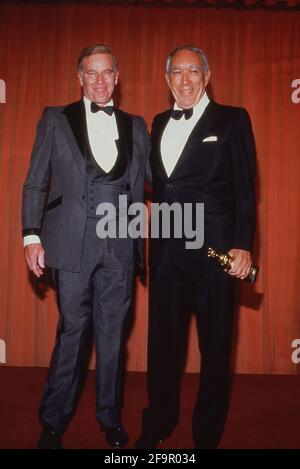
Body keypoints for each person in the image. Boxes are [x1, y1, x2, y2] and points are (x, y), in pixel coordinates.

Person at [22, 44, 149, 449]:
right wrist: (31, 236)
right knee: (73, 332)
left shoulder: (138, 125)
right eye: (91, 73)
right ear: (79, 78)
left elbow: (158, 178)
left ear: (117, 77)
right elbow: (36, 182)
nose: (99, 80)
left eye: (106, 72)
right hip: (71, 244)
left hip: (120, 247)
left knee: (113, 336)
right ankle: (53, 420)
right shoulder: (55, 119)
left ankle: (109, 417)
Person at [135, 45, 256, 449]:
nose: (184, 80)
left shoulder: (232, 119)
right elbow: (159, 182)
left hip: (215, 254)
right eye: (176, 73)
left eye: (192, 71)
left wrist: (243, 245)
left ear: (207, 75)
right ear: (167, 80)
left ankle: (206, 435)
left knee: (216, 348)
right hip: (167, 250)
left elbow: (244, 190)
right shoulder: (158, 121)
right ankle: (160, 420)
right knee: (163, 346)